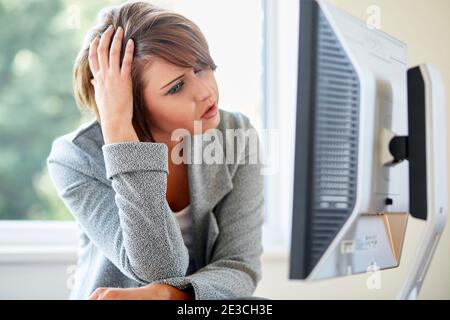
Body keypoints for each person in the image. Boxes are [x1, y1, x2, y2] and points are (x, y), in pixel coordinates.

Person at [47, 1, 264, 300]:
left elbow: (241, 267)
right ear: (130, 102)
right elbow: (158, 265)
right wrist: (120, 129)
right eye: (176, 87)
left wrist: (170, 296)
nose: (205, 92)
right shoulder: (76, 157)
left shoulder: (235, 134)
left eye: (201, 68)